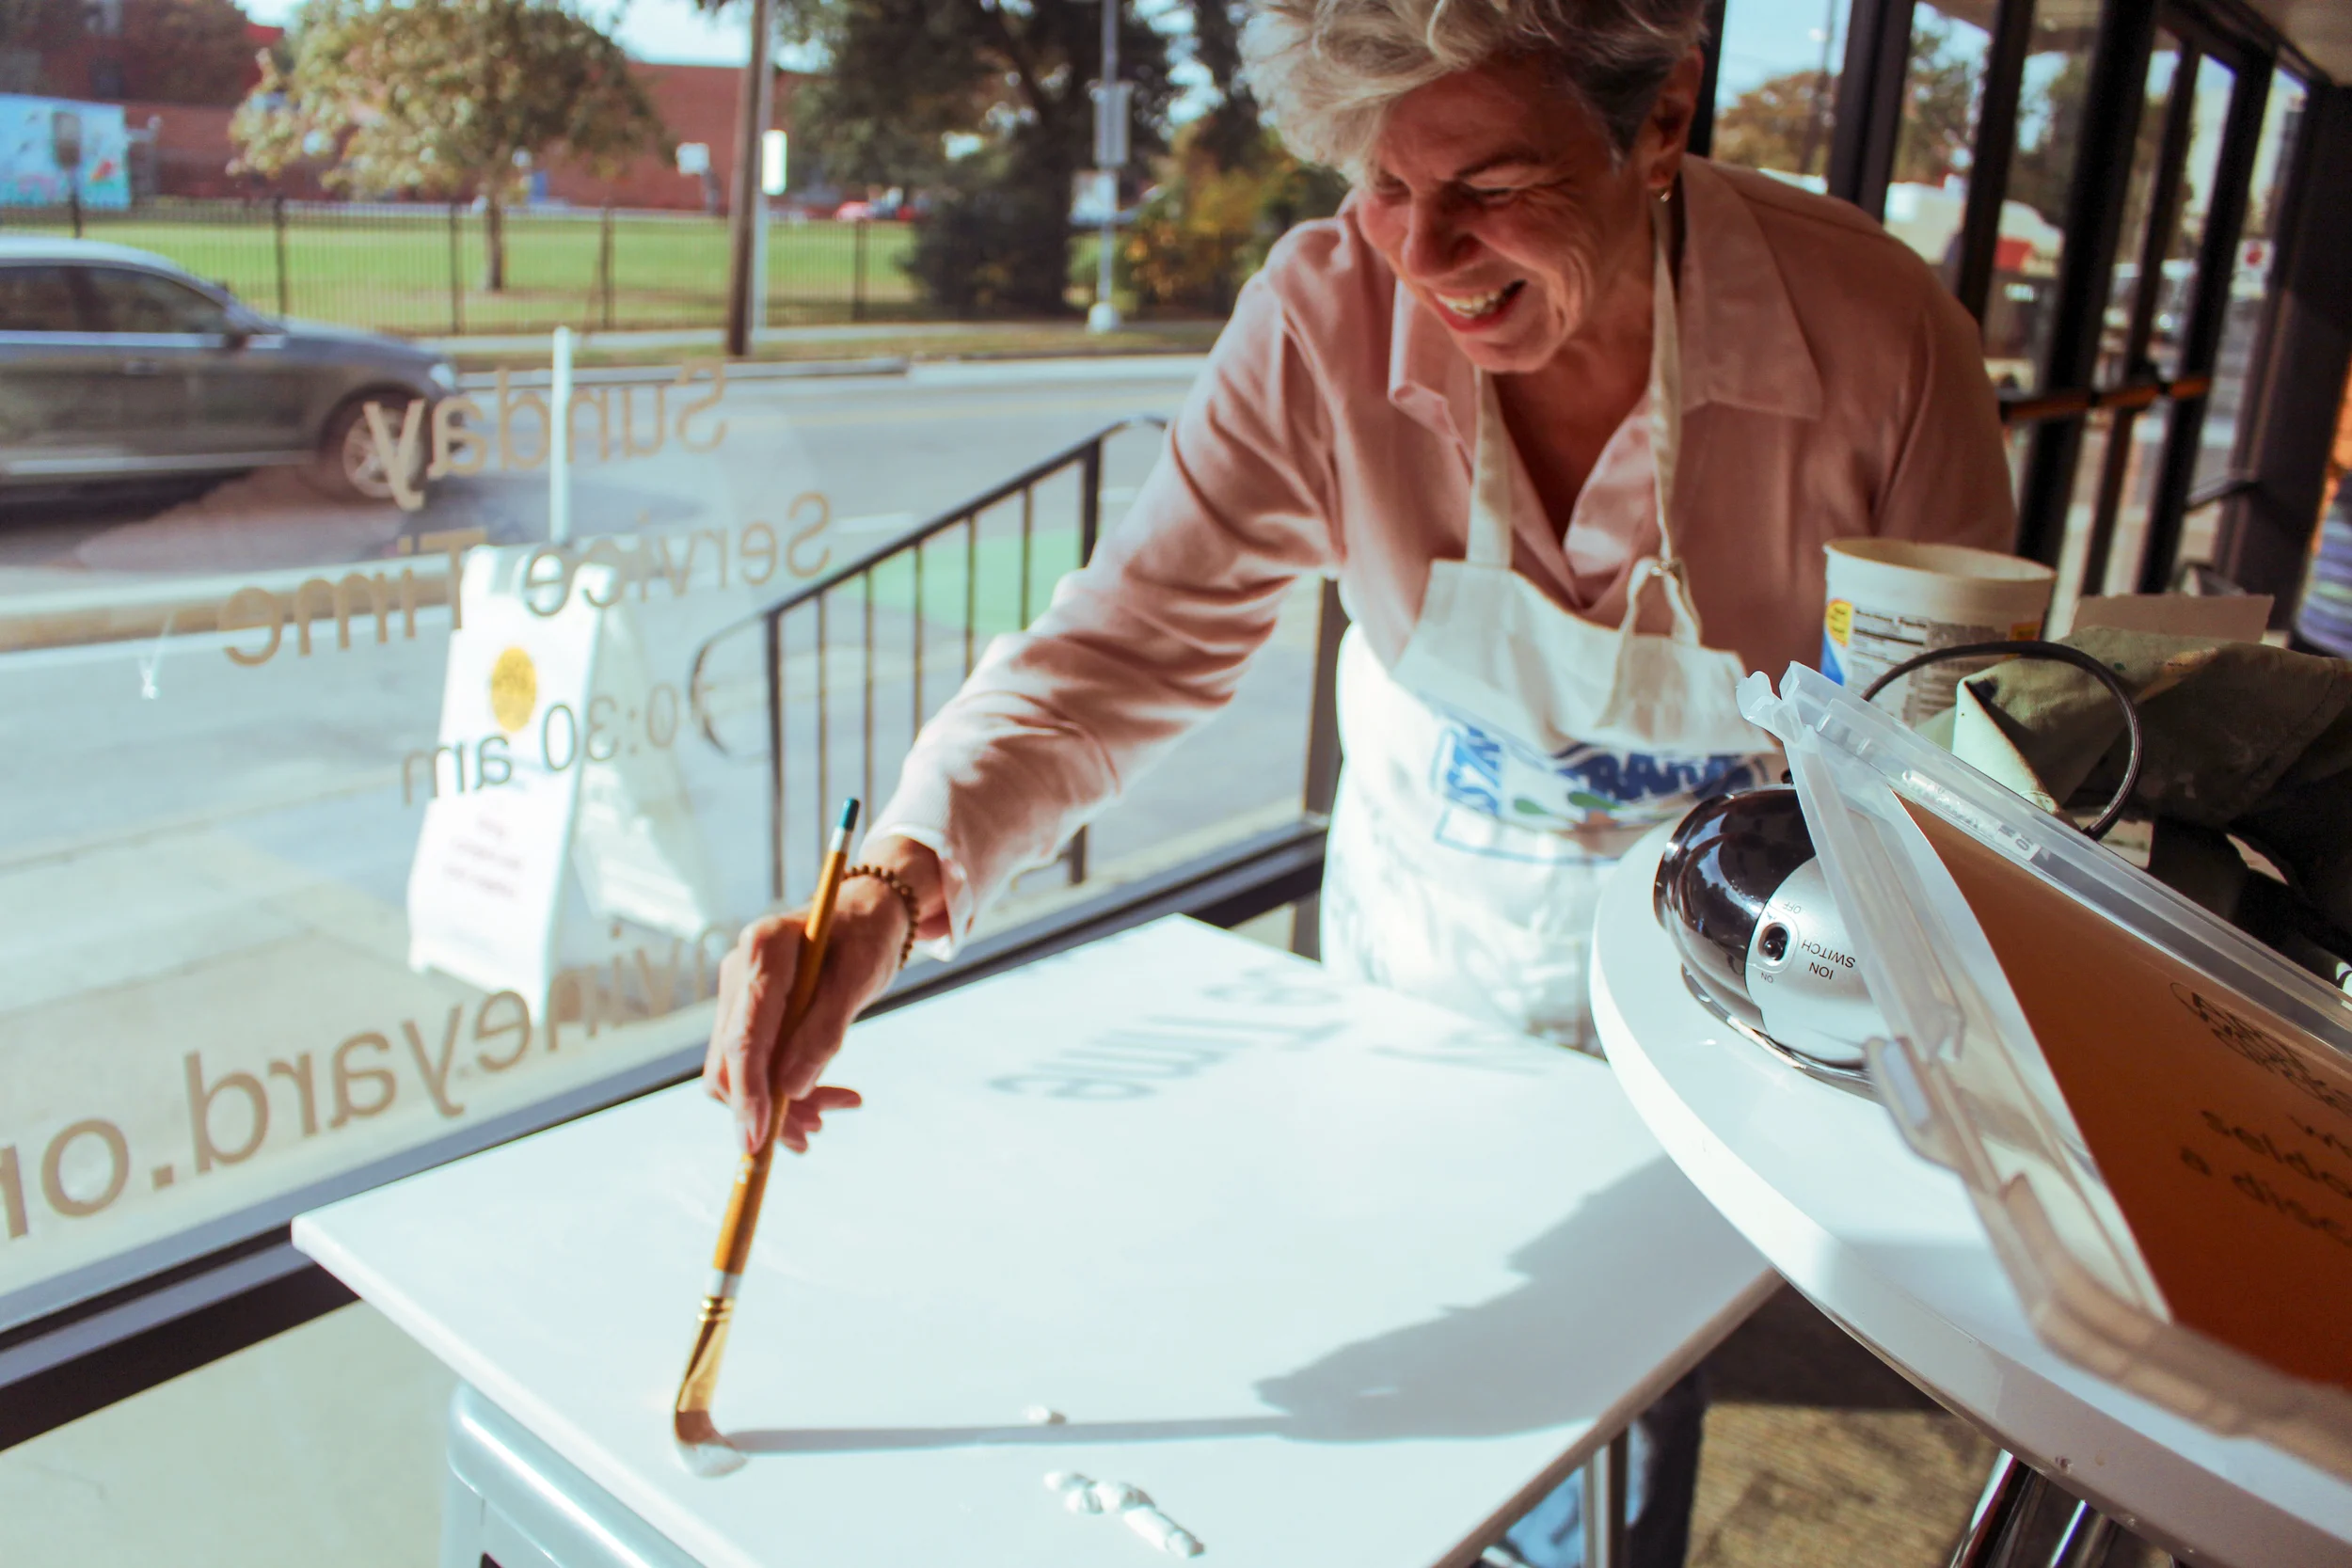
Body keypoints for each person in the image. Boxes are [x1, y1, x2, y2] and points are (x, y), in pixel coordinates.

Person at [705, 0, 2013, 1560]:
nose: (1425, 253)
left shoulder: (1873, 333)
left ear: (1660, 120)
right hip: (1419, 985)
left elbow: (1945, 761)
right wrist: (893, 874)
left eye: (1491, 185)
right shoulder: (1320, 318)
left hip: (1719, 1038)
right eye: (1384, 185)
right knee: (1427, 1446)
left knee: (1621, 1443)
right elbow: (1125, 646)